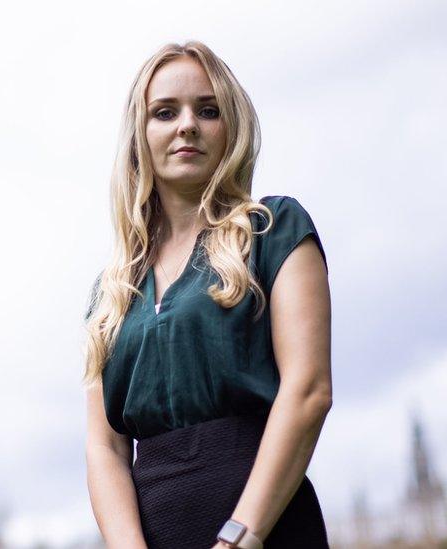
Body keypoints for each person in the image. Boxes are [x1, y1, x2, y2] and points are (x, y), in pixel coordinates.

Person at [82, 40, 332, 549]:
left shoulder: (276, 231)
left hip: (266, 528)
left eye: (208, 109)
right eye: (165, 112)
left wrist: (241, 535)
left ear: (230, 127)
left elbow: (307, 391)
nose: (187, 125)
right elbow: (105, 448)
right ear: (140, 134)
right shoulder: (110, 292)